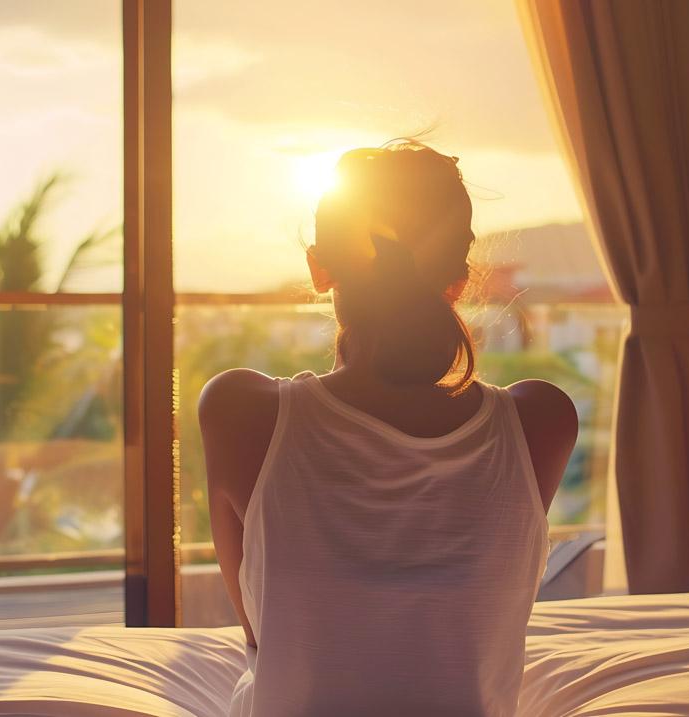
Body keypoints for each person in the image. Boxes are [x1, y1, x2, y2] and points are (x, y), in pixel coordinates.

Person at [199, 141, 578, 717]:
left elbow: (259, 626)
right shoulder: (542, 420)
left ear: (318, 267)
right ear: (458, 276)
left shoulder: (238, 410)